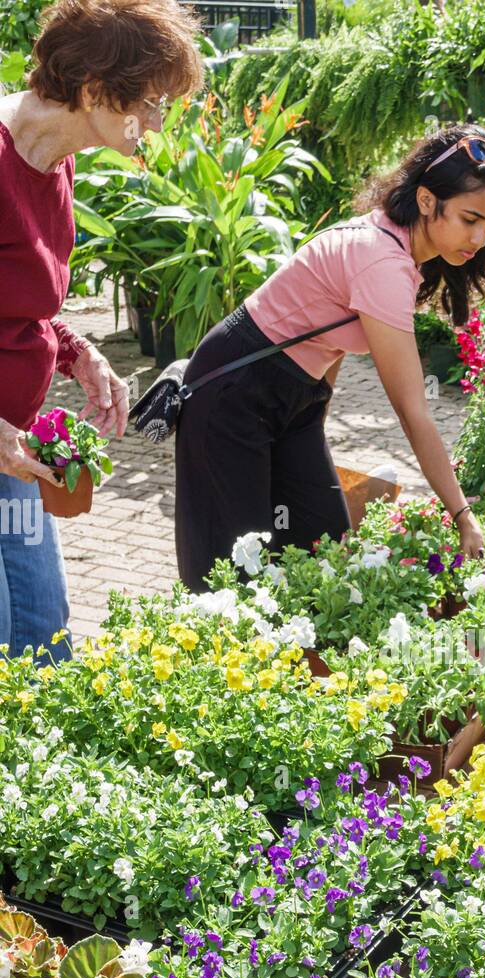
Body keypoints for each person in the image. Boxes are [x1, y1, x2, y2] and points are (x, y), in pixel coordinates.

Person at [174, 124, 485, 590]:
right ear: (426, 201)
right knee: (235, 568)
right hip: (233, 393)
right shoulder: (382, 262)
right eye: (470, 219)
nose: (479, 238)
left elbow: (329, 337)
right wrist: (462, 515)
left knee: (321, 540)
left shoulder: (397, 241)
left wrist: (312, 418)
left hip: (289, 399)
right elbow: (413, 412)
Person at [0, 0, 203, 656]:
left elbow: (19, 302)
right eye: (149, 102)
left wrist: (76, 351)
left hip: (14, 452)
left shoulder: (56, 159)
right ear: (93, 91)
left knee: (43, 635)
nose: (157, 121)